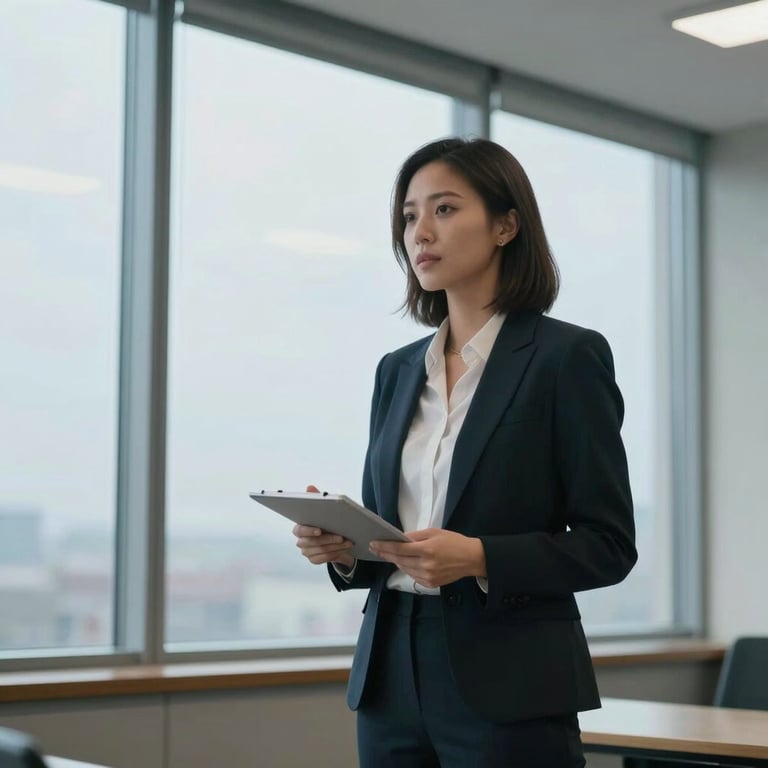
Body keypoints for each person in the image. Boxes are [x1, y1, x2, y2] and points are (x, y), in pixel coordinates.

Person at [293, 137, 637, 768]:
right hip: (389, 674)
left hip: (510, 680)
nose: (419, 232)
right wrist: (343, 550)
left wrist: (478, 556)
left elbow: (608, 545)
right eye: (408, 215)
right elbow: (391, 543)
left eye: (444, 209)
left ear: (506, 225)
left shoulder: (567, 359)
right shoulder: (397, 372)